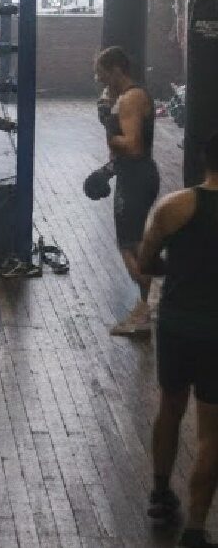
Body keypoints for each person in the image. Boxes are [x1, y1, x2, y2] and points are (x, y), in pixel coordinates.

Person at [137, 132, 218, 547]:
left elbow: (146, 263)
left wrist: (178, 269)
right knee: (211, 432)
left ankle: (160, 492)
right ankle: (196, 528)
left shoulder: (175, 206)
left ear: (205, 159)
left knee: (170, 406)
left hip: (176, 325)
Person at [95, 46, 158, 336]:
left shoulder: (131, 99)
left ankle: (147, 309)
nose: (100, 79)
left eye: (103, 73)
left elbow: (131, 145)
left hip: (136, 178)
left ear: (117, 70)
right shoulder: (125, 97)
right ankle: (146, 306)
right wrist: (107, 172)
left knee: (128, 245)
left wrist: (110, 129)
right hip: (134, 175)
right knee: (134, 243)